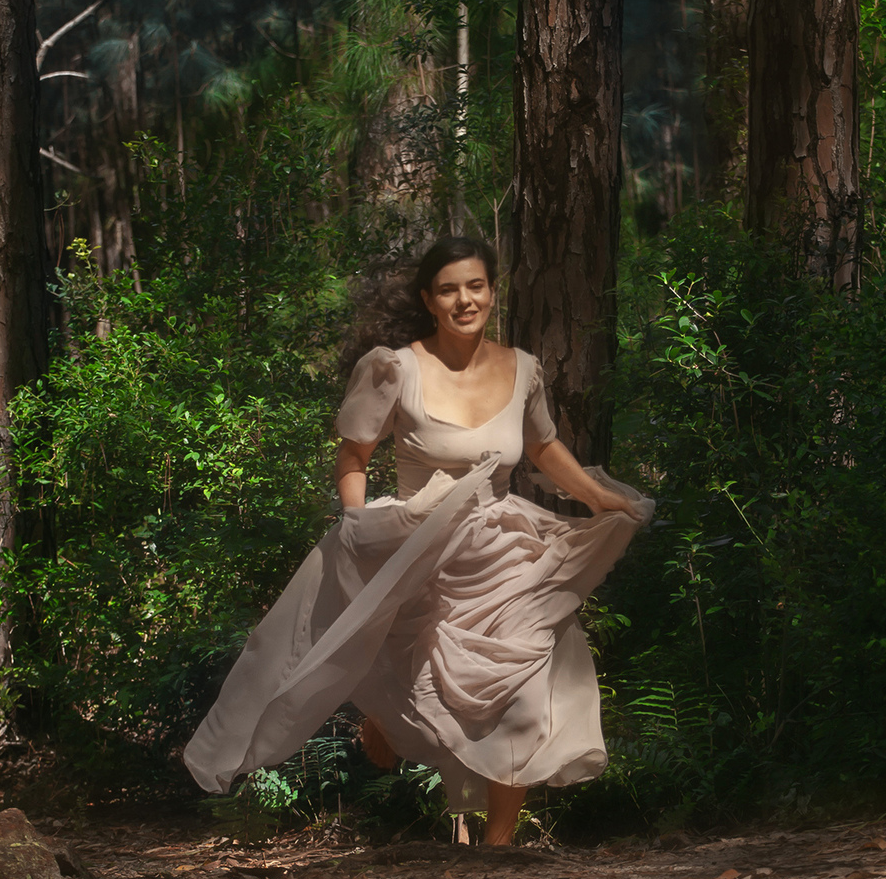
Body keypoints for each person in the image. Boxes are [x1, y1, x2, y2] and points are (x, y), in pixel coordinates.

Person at [184, 236, 653, 844]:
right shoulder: (396, 369)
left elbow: (540, 447)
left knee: (523, 681)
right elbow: (353, 456)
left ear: (492, 291)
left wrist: (599, 497)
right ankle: (382, 717)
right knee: (415, 677)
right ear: (429, 300)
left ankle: (499, 848)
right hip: (422, 548)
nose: (466, 300)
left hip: (506, 550)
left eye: (476, 286)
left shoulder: (524, 368)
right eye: (450, 289)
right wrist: (358, 523)